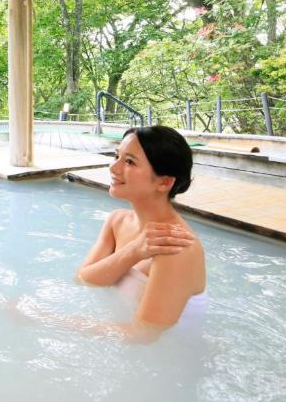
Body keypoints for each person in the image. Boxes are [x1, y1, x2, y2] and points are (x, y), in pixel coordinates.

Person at [77, 125, 206, 329]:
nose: (113, 167)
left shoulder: (177, 246)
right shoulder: (117, 221)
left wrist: (46, 320)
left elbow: (143, 335)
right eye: (116, 156)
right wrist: (135, 251)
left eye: (129, 161)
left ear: (164, 182)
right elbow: (84, 279)